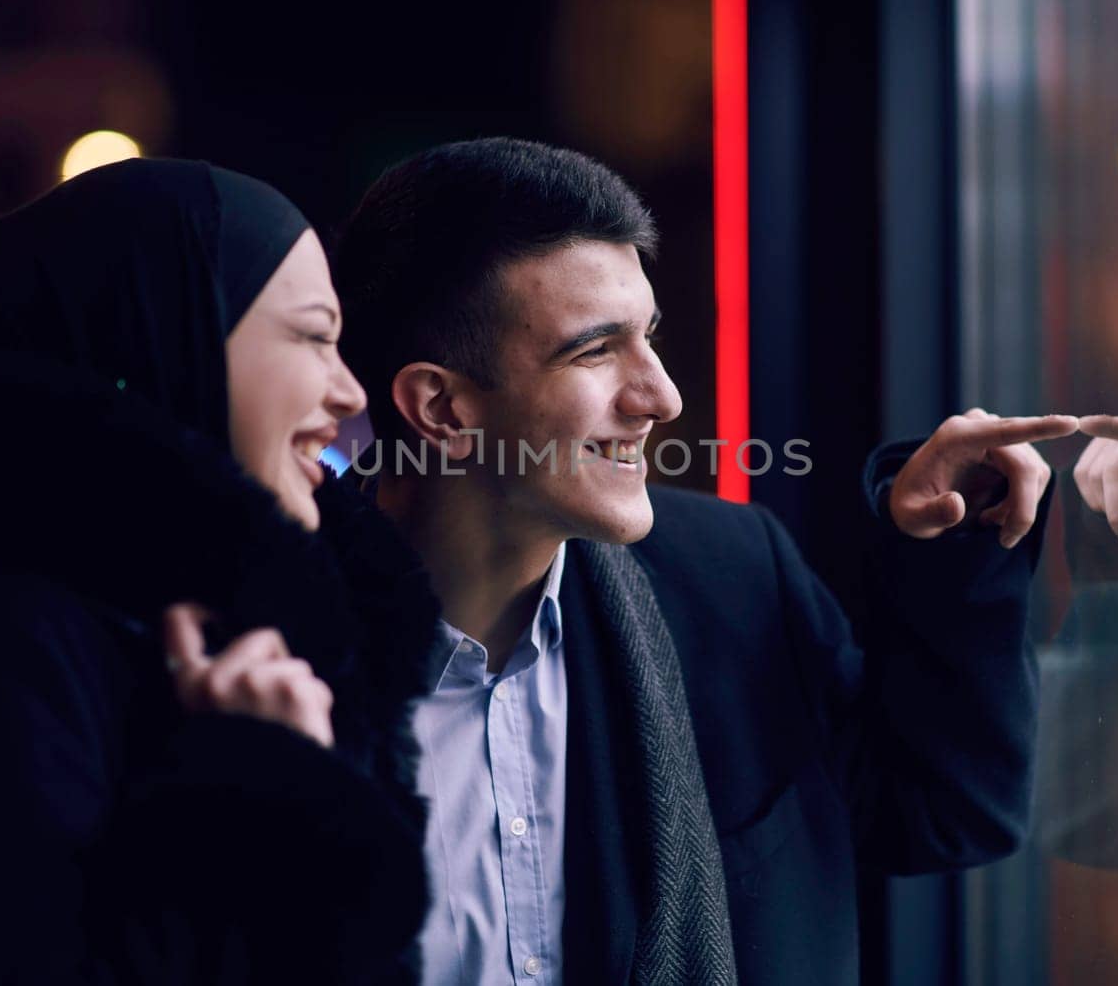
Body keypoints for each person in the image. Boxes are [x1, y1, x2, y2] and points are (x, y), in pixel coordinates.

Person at [331, 137, 1075, 985]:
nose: (661, 396)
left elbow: (946, 816)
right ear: (439, 406)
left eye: (647, 336)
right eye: (594, 351)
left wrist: (953, 547)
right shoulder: (271, 649)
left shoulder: (728, 573)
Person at [0, 158, 440, 982]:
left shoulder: (251, 632)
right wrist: (259, 789)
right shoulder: (10, 644)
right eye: (312, 337)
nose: (347, 392)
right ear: (170, 336)